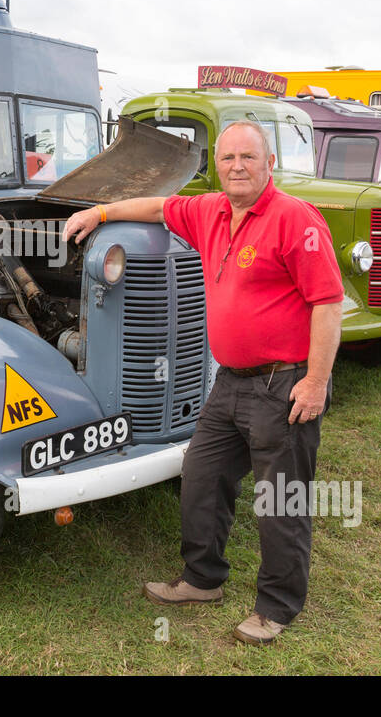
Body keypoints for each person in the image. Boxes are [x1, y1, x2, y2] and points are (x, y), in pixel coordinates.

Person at [61, 121, 344, 645]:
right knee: (201, 475)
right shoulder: (210, 209)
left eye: (248, 157)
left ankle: (277, 607)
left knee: (280, 500)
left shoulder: (295, 220)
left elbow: (328, 304)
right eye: (229, 157)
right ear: (219, 164)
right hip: (229, 383)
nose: (238, 166)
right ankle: (201, 579)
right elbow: (154, 207)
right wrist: (99, 212)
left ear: (269, 163)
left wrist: (316, 381)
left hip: (282, 385)